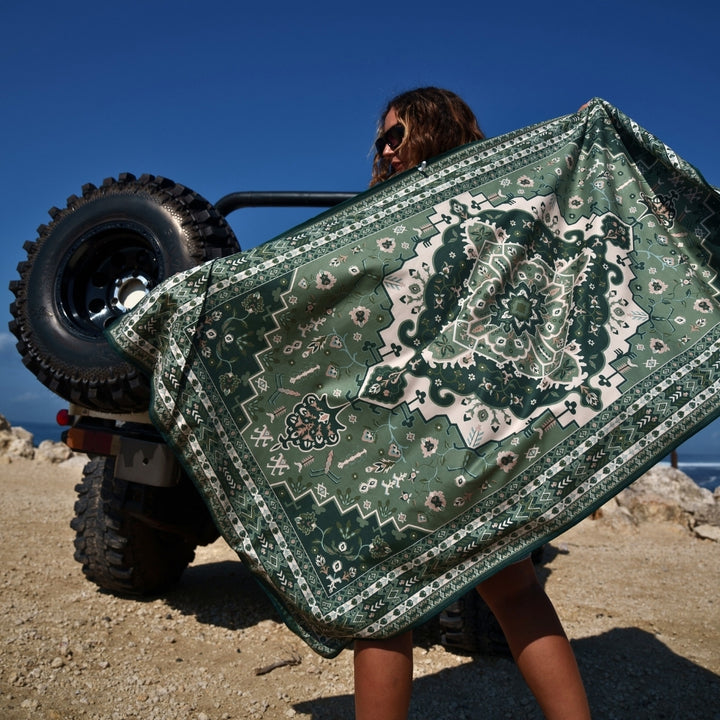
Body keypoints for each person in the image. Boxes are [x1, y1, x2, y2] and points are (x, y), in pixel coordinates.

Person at [354, 87, 592, 720]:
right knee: (506, 591)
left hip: (438, 430)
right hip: (453, 431)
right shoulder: (499, 206)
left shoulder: (430, 213)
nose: (383, 149)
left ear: (432, 131)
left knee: (392, 605)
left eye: (395, 136)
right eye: (379, 138)